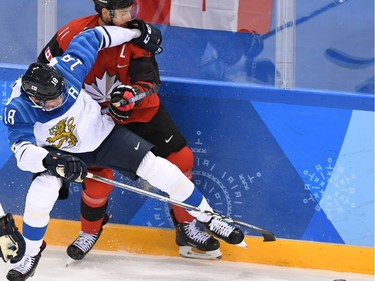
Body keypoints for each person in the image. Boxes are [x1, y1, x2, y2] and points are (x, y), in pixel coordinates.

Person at [3, 25, 245, 280]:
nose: (62, 98)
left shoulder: (67, 68)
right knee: (41, 192)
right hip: (61, 152)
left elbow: (94, 37)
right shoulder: (18, 108)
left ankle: (208, 217)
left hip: (103, 136)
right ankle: (31, 253)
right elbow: (22, 153)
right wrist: (50, 159)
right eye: (53, 100)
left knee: (161, 168)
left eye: (62, 91)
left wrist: (135, 34)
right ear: (35, 100)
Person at [37, 0, 221, 260]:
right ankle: (90, 230)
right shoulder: (71, 33)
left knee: (182, 159)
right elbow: (42, 74)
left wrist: (133, 96)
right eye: (122, 12)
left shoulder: (136, 35)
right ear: (103, 12)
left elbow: (149, 82)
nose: (129, 16)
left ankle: (186, 226)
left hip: (138, 111)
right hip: (94, 118)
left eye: (130, 10)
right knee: (97, 176)